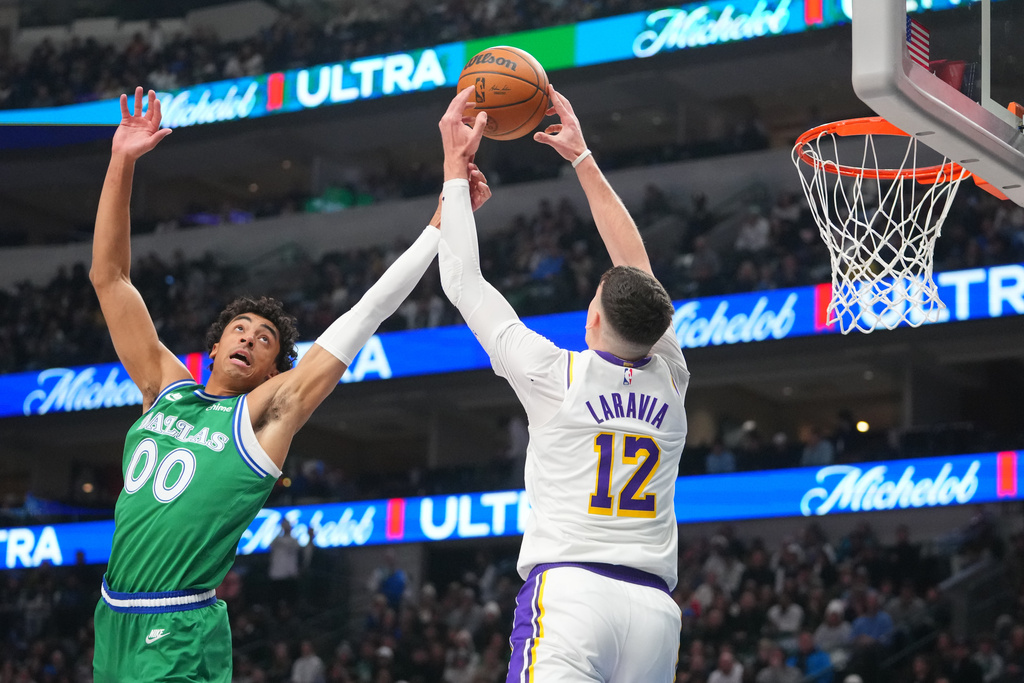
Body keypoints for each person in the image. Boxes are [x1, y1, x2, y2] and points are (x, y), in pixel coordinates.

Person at [90, 88, 489, 683]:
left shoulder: (266, 414)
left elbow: (364, 316)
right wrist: (121, 162)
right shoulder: (164, 388)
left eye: (265, 340)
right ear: (216, 344)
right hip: (111, 614)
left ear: (275, 370)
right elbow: (110, 276)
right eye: (240, 329)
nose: (249, 339)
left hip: (176, 628)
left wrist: (438, 226)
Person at [437, 84, 688, 681]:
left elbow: (463, 282)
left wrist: (454, 169)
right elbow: (636, 265)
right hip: (656, 612)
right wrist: (583, 161)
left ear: (593, 318)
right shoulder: (671, 381)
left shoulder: (558, 374)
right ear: (658, 329)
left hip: (573, 594)